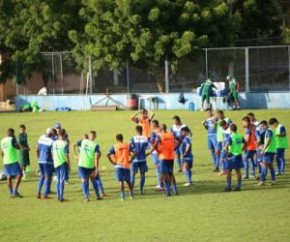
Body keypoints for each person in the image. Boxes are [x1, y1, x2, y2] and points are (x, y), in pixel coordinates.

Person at [73, 130, 102, 201]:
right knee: (87, 180)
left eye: (92, 136)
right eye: (91, 135)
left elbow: (96, 158)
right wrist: (75, 155)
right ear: (91, 136)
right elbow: (74, 145)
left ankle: (94, 196)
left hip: (87, 165)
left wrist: (96, 169)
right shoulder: (88, 142)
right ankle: (89, 196)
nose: (92, 137)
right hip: (84, 165)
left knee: (90, 180)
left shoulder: (91, 143)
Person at [107, 134, 136, 201]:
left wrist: (112, 162)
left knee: (121, 181)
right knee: (128, 181)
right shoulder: (127, 145)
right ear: (122, 139)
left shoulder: (114, 146)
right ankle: (131, 195)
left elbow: (107, 154)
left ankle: (122, 196)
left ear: (116, 139)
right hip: (126, 165)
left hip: (118, 165)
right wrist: (131, 160)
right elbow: (135, 152)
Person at [154, 124, 180, 196]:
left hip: (163, 157)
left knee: (164, 174)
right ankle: (175, 190)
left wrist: (158, 151)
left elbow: (155, 145)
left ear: (161, 129)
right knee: (171, 173)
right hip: (171, 156)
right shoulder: (171, 134)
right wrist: (174, 148)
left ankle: (168, 192)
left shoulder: (159, 136)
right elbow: (179, 141)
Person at [0, 128, 23, 197]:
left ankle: (10, 193)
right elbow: (19, 148)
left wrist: (4, 159)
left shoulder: (2, 140)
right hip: (13, 160)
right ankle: (15, 191)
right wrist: (17, 142)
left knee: (9, 177)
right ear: (12, 133)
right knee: (20, 174)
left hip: (5, 161)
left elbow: (1, 152)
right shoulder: (12, 139)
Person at [224, 124, 246, 192]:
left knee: (228, 171)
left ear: (230, 130)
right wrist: (242, 149)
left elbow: (226, 146)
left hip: (231, 155)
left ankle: (228, 187)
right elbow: (245, 143)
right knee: (238, 171)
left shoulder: (231, 136)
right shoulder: (240, 135)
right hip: (239, 155)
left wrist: (226, 153)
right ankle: (238, 186)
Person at [130, 126, 150, 194]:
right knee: (142, 175)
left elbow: (129, 147)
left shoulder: (133, 138)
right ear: (142, 130)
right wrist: (147, 154)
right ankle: (141, 190)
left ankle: (131, 190)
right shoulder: (145, 138)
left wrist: (131, 155)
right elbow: (148, 147)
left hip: (135, 160)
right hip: (143, 160)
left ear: (136, 131)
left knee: (133, 175)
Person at [51, 129, 70, 202]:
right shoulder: (65, 144)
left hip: (56, 163)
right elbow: (66, 156)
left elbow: (52, 153)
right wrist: (68, 165)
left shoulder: (54, 143)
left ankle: (58, 196)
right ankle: (61, 197)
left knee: (58, 180)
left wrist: (54, 160)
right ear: (64, 135)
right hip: (62, 163)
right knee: (62, 180)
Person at [36, 128, 54, 199]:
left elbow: (36, 150)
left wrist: (38, 157)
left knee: (42, 176)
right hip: (47, 161)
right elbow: (52, 153)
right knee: (47, 177)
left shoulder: (41, 138)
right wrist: (54, 161)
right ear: (51, 134)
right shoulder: (51, 141)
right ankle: (45, 194)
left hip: (40, 160)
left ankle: (38, 192)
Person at [259, 120, 276, 186]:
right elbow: (268, 141)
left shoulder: (268, 131)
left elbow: (268, 140)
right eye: (261, 126)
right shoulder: (270, 130)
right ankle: (273, 180)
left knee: (264, 165)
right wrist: (263, 146)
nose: (262, 127)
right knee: (270, 166)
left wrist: (263, 149)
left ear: (266, 124)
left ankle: (263, 181)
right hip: (271, 150)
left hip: (268, 151)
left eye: (263, 126)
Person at [202, 108, 219, 172]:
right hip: (209, 135)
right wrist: (204, 124)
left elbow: (216, 127)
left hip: (215, 135)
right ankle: (215, 165)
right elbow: (207, 128)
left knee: (217, 151)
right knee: (212, 150)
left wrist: (214, 121)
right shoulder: (207, 119)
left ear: (212, 111)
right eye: (207, 112)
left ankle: (217, 165)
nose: (208, 113)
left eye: (209, 112)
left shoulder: (215, 118)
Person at [216, 110, 232, 174]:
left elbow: (230, 137)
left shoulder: (229, 129)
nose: (222, 128)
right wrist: (223, 143)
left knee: (225, 157)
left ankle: (226, 170)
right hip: (223, 144)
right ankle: (224, 170)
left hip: (228, 146)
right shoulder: (224, 130)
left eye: (222, 126)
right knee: (223, 157)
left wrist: (226, 146)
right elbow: (224, 137)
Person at [150, 119, 164, 191]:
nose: (152, 126)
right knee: (160, 167)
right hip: (159, 152)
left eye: (153, 124)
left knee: (158, 168)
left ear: (156, 124)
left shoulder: (156, 132)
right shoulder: (161, 131)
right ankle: (162, 183)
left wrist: (151, 151)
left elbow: (154, 143)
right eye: (151, 124)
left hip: (156, 152)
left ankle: (160, 184)